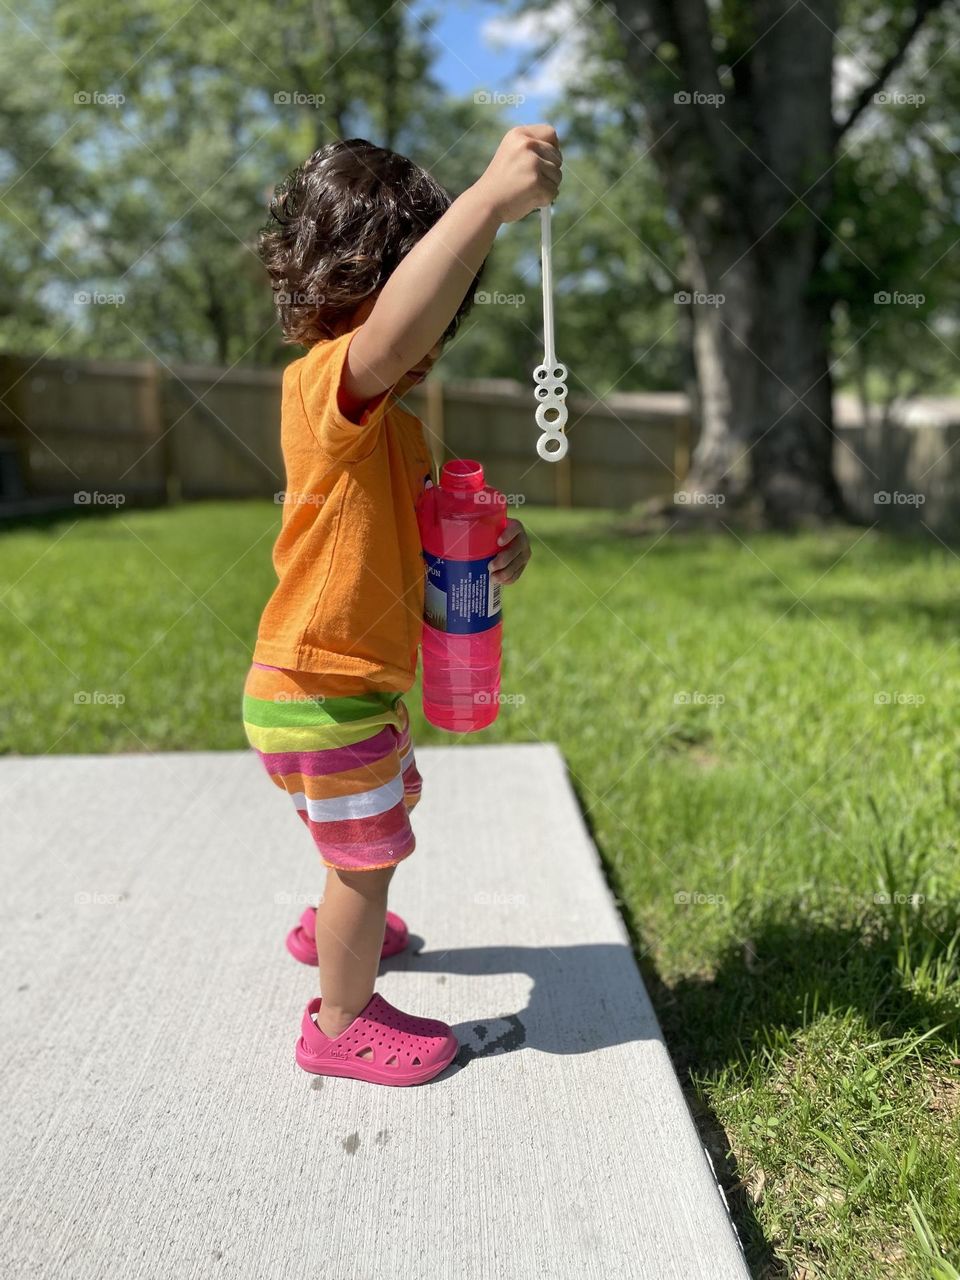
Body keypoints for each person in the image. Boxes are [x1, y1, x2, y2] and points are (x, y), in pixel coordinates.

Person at [241, 126, 562, 1085]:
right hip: (317, 688)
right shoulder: (322, 389)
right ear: (344, 293)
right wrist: (488, 204)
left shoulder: (403, 434)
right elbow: (386, 338)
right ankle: (338, 1023)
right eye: (434, 292)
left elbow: (423, 561)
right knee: (366, 857)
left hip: (344, 687)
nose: (436, 329)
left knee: (374, 820)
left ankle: (330, 929)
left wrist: (489, 549)